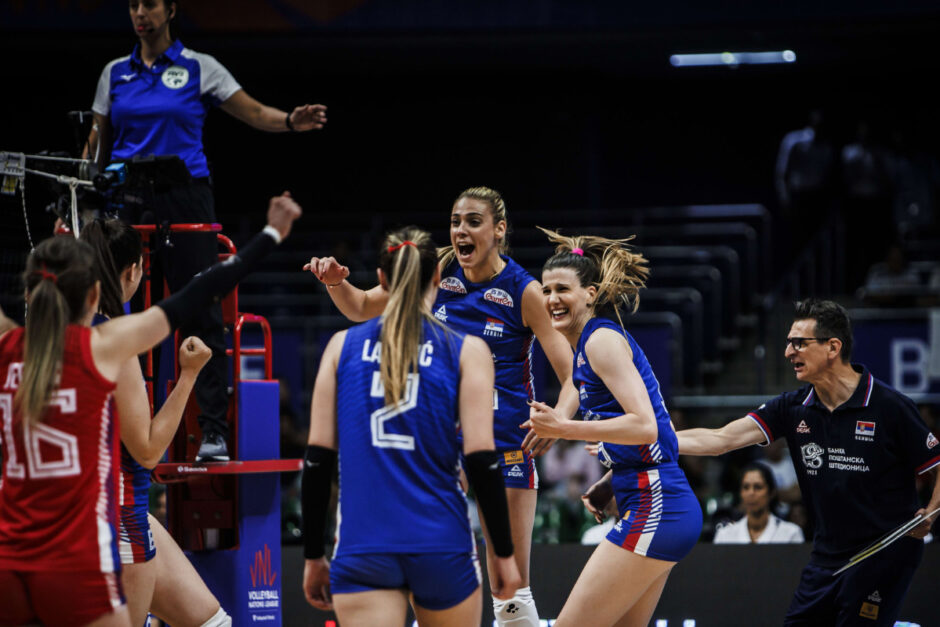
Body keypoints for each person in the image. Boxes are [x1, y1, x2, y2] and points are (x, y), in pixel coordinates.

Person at [0, 193, 301, 626]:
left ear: (30, 292)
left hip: (18, 547)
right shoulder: (102, 347)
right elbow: (198, 292)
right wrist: (271, 235)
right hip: (91, 536)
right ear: (94, 294)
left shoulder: (9, 346)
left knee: (213, 621)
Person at [305, 186, 577, 626]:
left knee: (508, 586)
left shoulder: (523, 290)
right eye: (455, 221)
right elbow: (360, 308)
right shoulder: (438, 274)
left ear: (499, 230)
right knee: (425, 564)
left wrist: (559, 418)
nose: (461, 230)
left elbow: (572, 377)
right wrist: (338, 282)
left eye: (473, 221)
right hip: (438, 452)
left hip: (503, 448)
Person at [87, 0, 327, 462]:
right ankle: (119, 424)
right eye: (133, 4)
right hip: (126, 200)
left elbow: (254, 112)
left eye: (150, 3)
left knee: (202, 308)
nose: (140, 12)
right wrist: (85, 194)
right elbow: (94, 146)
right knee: (117, 312)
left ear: (170, 9)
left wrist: (290, 122)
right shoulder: (114, 72)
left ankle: (213, 431)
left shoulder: (200, 67)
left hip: (185, 197)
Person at [676, 299, 940, 626]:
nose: (788, 352)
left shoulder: (890, 406)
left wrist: (932, 511)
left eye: (799, 343)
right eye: (788, 343)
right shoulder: (793, 407)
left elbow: (937, 464)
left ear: (833, 347)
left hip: (883, 554)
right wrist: (651, 440)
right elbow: (721, 440)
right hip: (826, 556)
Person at [523, 229, 702, 627]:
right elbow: (652, 431)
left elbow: (647, 426)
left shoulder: (600, 340)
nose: (552, 299)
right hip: (658, 502)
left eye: (562, 289)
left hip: (658, 506)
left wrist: (564, 427)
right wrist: (611, 478)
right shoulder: (588, 346)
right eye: (546, 290)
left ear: (590, 293)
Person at [80, 219, 232, 627]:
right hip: (118, 514)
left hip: (82, 511)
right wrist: (189, 374)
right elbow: (146, 452)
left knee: (212, 622)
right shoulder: (113, 339)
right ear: (131, 272)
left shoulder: (51, 336)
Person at [712, 463, 804, 544]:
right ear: (741, 493)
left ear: (771, 492)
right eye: (746, 487)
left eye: (758, 487)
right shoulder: (725, 535)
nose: (751, 493)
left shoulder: (791, 534)